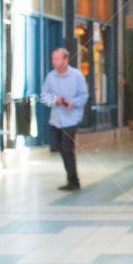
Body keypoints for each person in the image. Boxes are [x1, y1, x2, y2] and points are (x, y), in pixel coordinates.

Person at [41, 47, 89, 191]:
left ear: (66, 59)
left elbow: (84, 96)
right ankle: (70, 178)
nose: (54, 61)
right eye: (53, 58)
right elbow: (43, 96)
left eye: (57, 58)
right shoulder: (51, 77)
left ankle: (74, 181)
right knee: (61, 150)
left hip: (71, 119)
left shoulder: (77, 75)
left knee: (68, 149)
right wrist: (54, 100)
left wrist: (72, 102)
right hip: (55, 119)